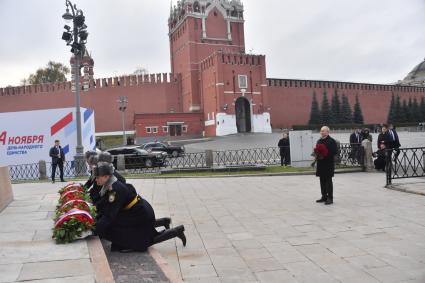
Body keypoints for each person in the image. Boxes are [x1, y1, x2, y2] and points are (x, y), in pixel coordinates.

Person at [93, 162, 186, 252]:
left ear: (106, 176)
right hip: (139, 211)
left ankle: (176, 231)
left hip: (141, 214)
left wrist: (94, 230)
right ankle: (163, 222)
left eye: (97, 177)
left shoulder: (114, 189)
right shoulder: (111, 183)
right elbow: (104, 205)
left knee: (116, 231)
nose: (96, 180)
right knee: (113, 224)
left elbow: (109, 215)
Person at [315, 126, 338, 205]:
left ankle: (330, 198)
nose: (322, 132)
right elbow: (316, 150)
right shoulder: (319, 141)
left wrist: (325, 154)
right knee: (322, 181)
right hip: (321, 163)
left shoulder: (332, 141)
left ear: (328, 132)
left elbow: (334, 152)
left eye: (323, 131)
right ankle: (324, 196)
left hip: (328, 164)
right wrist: (317, 154)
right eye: (321, 131)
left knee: (328, 181)